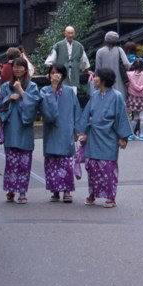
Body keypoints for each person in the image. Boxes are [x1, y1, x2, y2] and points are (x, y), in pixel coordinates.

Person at [78, 68, 132, 208]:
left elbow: (121, 116)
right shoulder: (94, 95)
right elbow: (86, 114)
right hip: (94, 136)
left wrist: (123, 137)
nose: (94, 79)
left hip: (109, 136)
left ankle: (110, 196)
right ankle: (92, 193)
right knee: (92, 167)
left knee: (107, 168)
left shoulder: (117, 96)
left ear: (103, 79)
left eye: (96, 77)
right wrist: (81, 131)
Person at [0, 57, 40, 204]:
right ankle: (10, 189)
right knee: (11, 162)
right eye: (15, 67)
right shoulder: (4, 87)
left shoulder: (32, 86)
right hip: (11, 128)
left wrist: (21, 92)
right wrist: (9, 97)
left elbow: (34, 105)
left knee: (24, 163)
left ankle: (22, 192)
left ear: (26, 69)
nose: (18, 69)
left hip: (25, 129)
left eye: (21, 67)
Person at [39, 63, 82, 203]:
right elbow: (48, 114)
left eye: (58, 73)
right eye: (52, 73)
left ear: (63, 75)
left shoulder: (69, 91)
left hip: (66, 131)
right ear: (49, 75)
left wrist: (78, 131)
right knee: (52, 162)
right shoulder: (44, 91)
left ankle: (67, 191)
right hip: (51, 131)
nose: (55, 75)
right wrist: (52, 89)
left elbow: (77, 112)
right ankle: (55, 190)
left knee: (66, 163)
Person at [94, 31, 130, 101]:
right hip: (118, 81)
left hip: (104, 81)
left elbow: (97, 69)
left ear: (105, 40)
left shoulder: (100, 51)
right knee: (119, 100)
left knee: (105, 100)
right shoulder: (119, 50)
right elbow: (126, 64)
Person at [125, 58, 143, 141]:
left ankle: (131, 135)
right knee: (142, 117)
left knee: (135, 117)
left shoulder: (129, 74)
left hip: (133, 98)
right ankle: (142, 134)